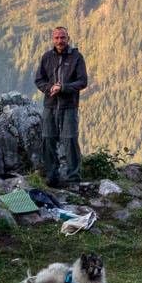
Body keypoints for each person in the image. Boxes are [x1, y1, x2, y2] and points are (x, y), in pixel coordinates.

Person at [34, 26, 89, 189]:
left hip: (69, 106)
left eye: (62, 38)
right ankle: (52, 175)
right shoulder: (46, 57)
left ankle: (73, 179)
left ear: (68, 38)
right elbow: (39, 80)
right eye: (57, 38)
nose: (60, 41)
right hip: (50, 105)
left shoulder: (76, 57)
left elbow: (82, 81)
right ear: (53, 39)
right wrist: (48, 88)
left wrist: (63, 87)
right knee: (48, 139)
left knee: (70, 140)